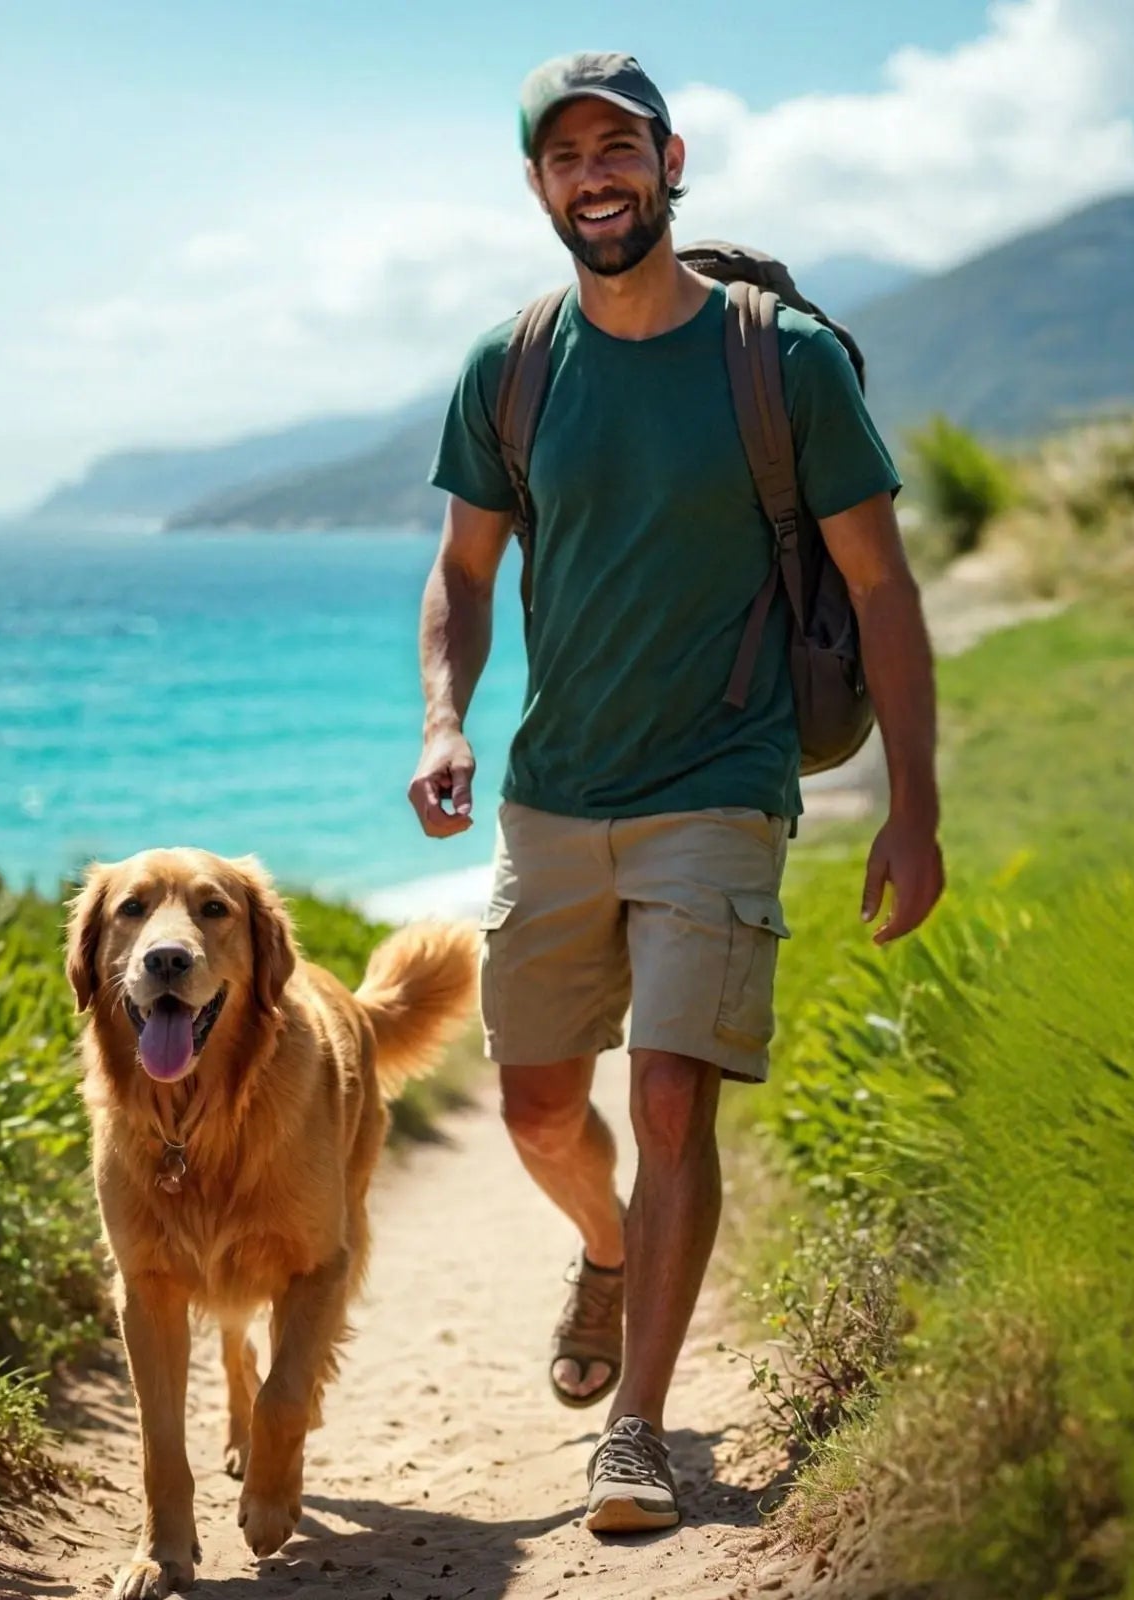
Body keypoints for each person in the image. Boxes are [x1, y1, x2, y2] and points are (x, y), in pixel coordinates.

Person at [407, 50, 944, 1534]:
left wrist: (915, 806)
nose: (596, 177)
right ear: (539, 186)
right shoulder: (510, 367)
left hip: (721, 781)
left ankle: (635, 1431)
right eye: (566, 156)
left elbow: (882, 589)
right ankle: (606, 1248)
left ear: (671, 161)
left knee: (667, 1099)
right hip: (554, 787)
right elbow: (462, 573)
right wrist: (445, 719)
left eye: (619, 148)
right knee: (537, 1111)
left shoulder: (784, 363)